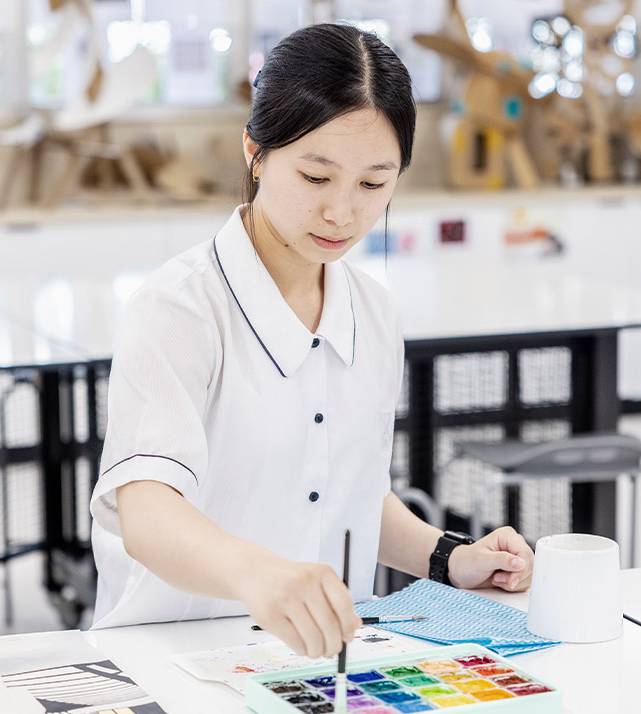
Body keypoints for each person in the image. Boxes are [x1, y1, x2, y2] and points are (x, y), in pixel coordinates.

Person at [87, 23, 535, 658]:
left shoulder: (373, 312)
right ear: (256, 152)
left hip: (319, 663)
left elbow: (344, 493)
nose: (342, 213)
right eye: (316, 177)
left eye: (374, 184)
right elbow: (148, 512)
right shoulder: (179, 308)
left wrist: (449, 557)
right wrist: (258, 574)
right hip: (177, 655)